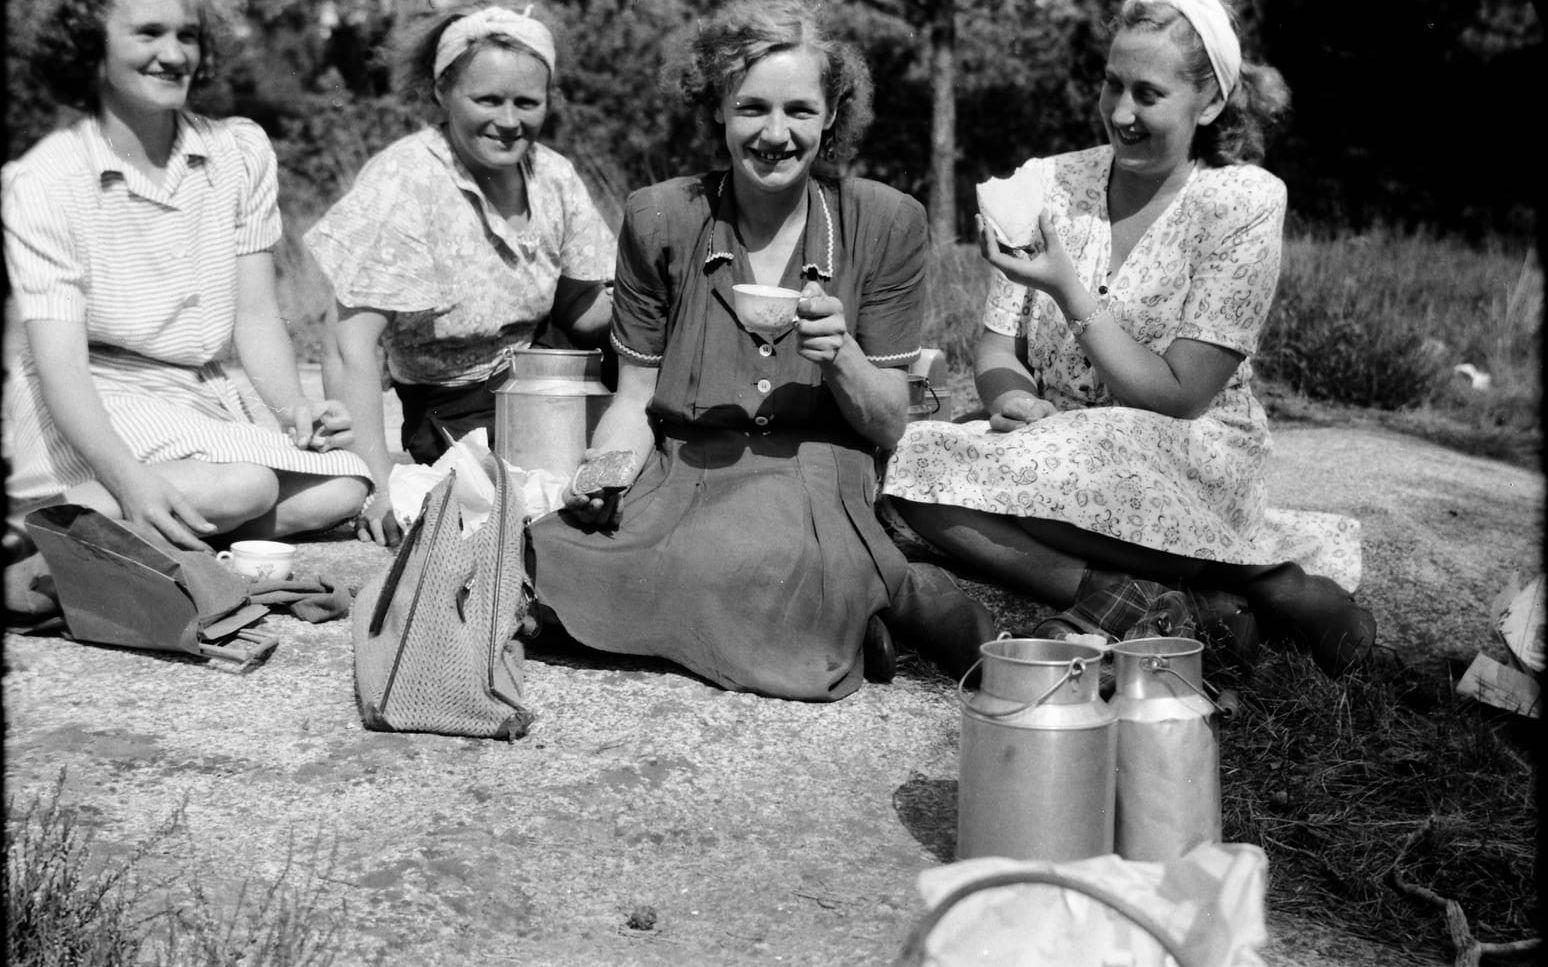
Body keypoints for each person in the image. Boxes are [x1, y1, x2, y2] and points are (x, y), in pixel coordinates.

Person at [881, 0, 1375, 676]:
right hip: (1049, 447)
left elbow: (1180, 393)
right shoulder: (1050, 180)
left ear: (1208, 103)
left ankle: (1267, 576)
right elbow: (999, 348)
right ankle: (1123, 592)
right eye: (1113, 83)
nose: (1119, 112)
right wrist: (1011, 401)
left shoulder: (1243, 201)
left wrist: (1070, 291)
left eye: (1148, 94)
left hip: (1191, 452)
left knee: (1077, 450)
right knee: (908, 459)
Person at [526, 0, 996, 702]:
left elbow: (889, 423)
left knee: (757, 556)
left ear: (832, 113)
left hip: (812, 469)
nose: (775, 135)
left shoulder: (886, 221)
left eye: (800, 111)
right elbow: (632, 396)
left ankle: (866, 596)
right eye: (752, 109)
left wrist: (840, 357)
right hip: (687, 466)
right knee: (542, 556)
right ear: (717, 106)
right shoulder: (662, 218)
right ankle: (849, 606)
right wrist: (607, 467)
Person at [2, 0, 370, 558]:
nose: (174, 55)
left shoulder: (238, 152)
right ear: (90, 49)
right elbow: (62, 368)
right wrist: (128, 480)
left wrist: (294, 407)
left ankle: (128, 533)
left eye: (188, 36)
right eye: (149, 33)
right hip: (93, 399)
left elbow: (255, 315)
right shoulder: (45, 179)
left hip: (198, 393)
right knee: (247, 484)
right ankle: (32, 528)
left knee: (342, 486)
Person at [305, 2, 616, 547]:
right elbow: (349, 346)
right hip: (454, 405)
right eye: (487, 99)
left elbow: (579, 309)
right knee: (537, 503)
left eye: (527, 102)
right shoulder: (406, 180)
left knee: (637, 453)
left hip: (543, 373)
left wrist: (663, 304)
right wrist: (375, 484)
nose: (509, 120)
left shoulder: (552, 175)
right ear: (441, 93)